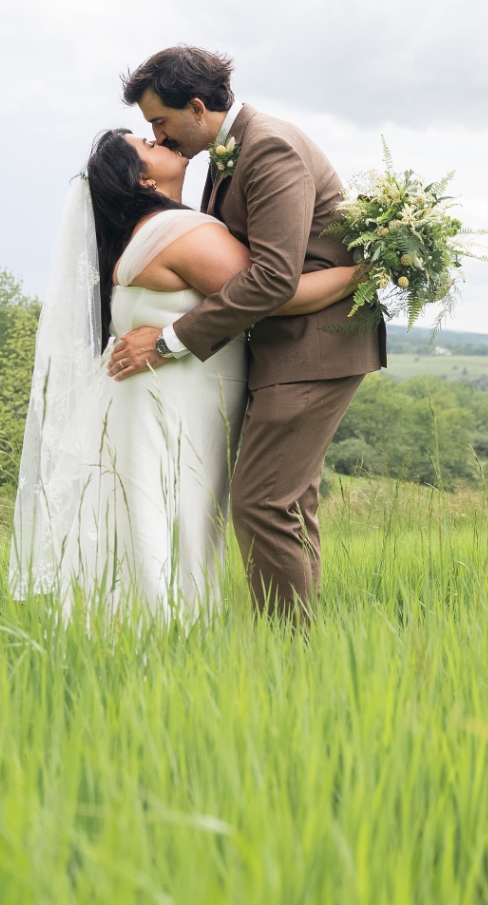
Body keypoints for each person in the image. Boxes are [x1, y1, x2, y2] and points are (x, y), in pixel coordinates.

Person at [10, 128, 357, 620]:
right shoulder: (182, 233)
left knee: (150, 528)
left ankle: (140, 645)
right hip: (174, 411)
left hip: (152, 405)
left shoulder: (146, 234)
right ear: (145, 182)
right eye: (148, 147)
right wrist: (365, 270)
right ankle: (173, 643)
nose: (161, 139)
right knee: (179, 524)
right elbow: (274, 294)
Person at [108, 46, 386, 627]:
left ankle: (288, 652)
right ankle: (300, 649)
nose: (157, 135)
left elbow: (274, 276)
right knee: (289, 502)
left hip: (315, 344)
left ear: (198, 106)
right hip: (291, 345)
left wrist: (168, 341)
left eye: (160, 121)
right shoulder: (230, 152)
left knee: (261, 503)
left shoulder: (269, 146)